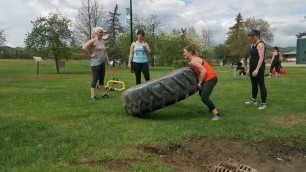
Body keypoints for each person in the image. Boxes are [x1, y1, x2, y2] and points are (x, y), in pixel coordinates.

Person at [183, 45, 221, 121]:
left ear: (190, 53)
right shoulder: (193, 60)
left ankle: (217, 115)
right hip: (209, 78)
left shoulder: (193, 61)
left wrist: (200, 83)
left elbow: (203, 71)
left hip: (210, 78)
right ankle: (211, 108)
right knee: (201, 94)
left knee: (204, 97)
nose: (183, 54)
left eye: (184, 52)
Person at [82, 27, 111, 101]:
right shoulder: (93, 40)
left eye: (102, 32)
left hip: (102, 63)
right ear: (96, 33)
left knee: (101, 79)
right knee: (95, 79)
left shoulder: (102, 41)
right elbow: (84, 47)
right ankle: (93, 96)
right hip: (95, 64)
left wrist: (108, 61)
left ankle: (103, 94)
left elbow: (105, 52)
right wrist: (90, 55)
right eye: (100, 32)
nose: (102, 34)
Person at [245, 30, 268, 109]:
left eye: (253, 36)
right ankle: (254, 100)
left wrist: (257, 69)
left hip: (259, 68)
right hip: (252, 67)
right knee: (254, 84)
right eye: (250, 36)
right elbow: (251, 57)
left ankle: (264, 104)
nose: (251, 37)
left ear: (257, 36)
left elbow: (261, 58)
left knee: (261, 84)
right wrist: (249, 68)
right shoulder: (252, 45)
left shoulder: (260, 44)